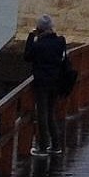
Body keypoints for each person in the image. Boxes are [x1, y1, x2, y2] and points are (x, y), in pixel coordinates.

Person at [23, 14, 68, 156]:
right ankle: (56, 145)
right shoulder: (60, 41)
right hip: (56, 81)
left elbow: (27, 57)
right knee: (51, 113)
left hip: (42, 82)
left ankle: (42, 147)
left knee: (42, 114)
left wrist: (31, 37)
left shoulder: (38, 45)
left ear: (39, 28)